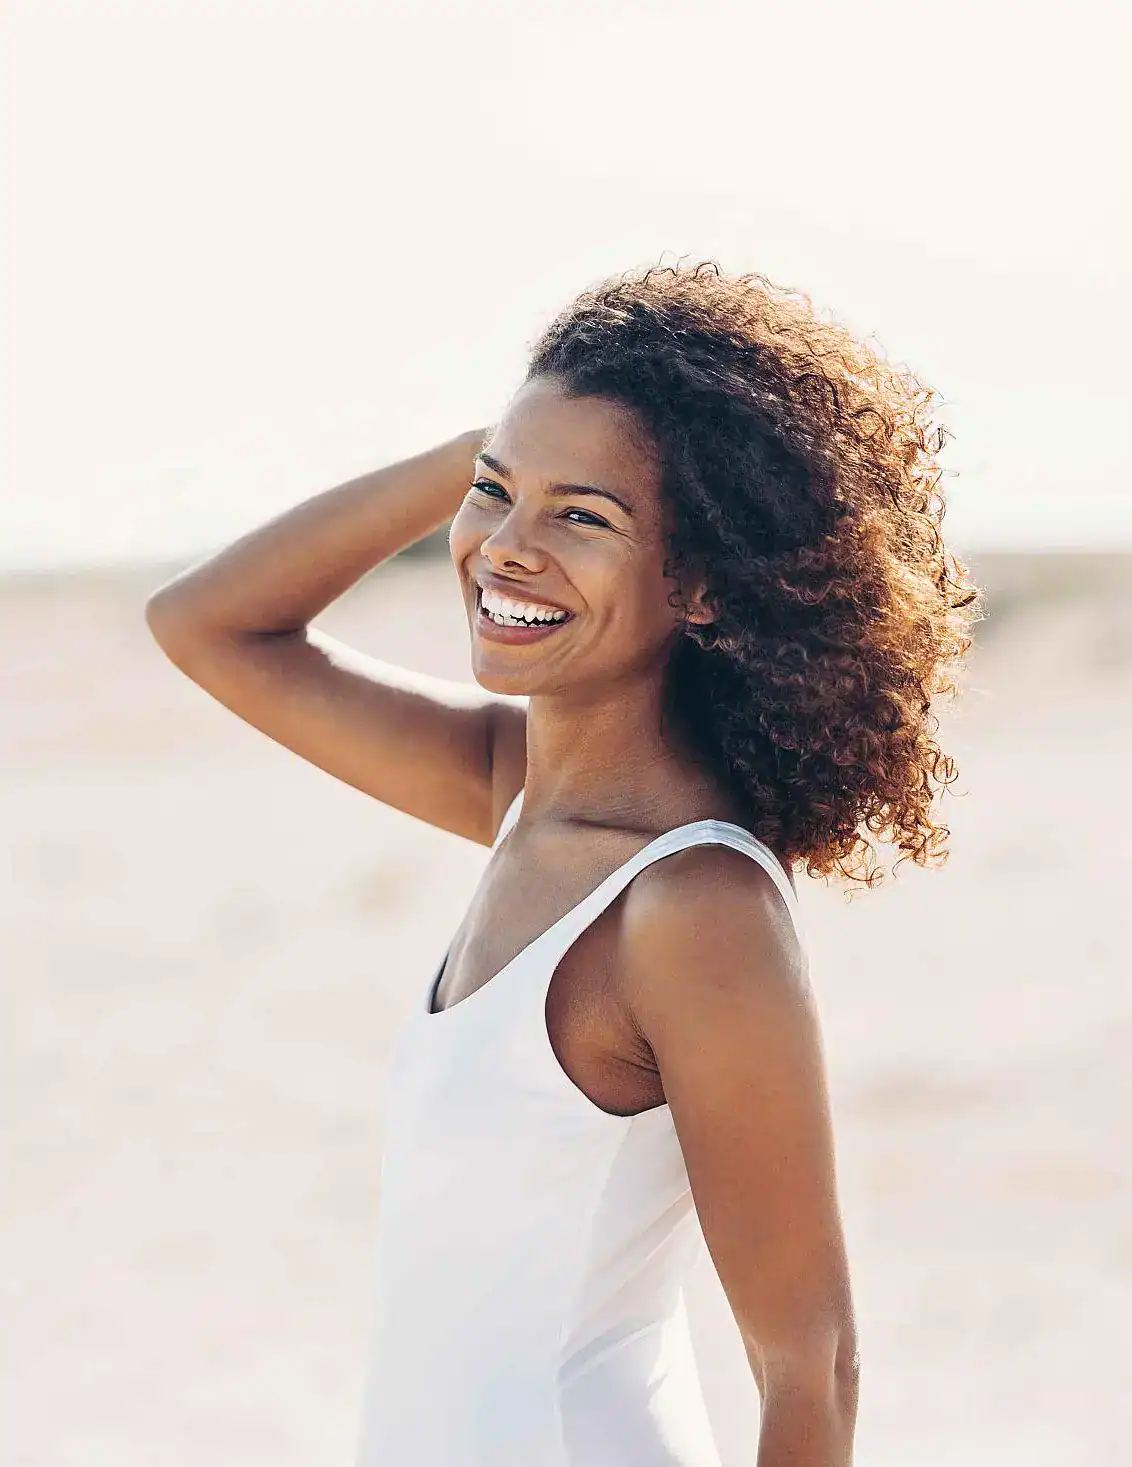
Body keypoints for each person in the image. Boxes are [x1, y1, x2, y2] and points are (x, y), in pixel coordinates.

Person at [146, 260, 981, 1466]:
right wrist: (493, 456)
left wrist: (513, 460)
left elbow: (811, 1362)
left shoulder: (691, 905)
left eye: (584, 517)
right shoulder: (520, 799)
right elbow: (207, 626)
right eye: (495, 498)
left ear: (698, 583)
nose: (505, 552)